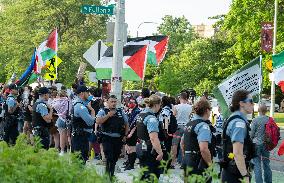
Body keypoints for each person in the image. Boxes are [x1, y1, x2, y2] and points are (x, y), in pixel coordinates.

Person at [221, 90, 256, 183]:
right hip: (235, 174)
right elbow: (237, 153)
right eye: (251, 101)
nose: (253, 104)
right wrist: (245, 175)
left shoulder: (234, 118)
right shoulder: (239, 123)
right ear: (241, 103)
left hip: (231, 170)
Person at [96, 95, 129, 177]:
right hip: (107, 137)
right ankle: (108, 175)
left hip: (118, 138)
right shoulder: (103, 111)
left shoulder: (120, 111)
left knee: (114, 158)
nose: (114, 103)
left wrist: (125, 135)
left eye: (115, 102)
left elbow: (126, 123)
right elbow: (98, 121)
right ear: (107, 102)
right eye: (112, 102)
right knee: (109, 157)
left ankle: (111, 174)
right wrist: (108, 115)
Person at [182, 99, 215, 183]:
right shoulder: (203, 126)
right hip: (198, 162)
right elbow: (203, 149)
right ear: (207, 110)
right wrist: (210, 164)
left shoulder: (189, 124)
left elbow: (182, 143)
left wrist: (186, 156)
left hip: (188, 159)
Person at [136, 94, 166, 180]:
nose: (160, 108)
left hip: (141, 146)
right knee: (152, 176)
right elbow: (153, 138)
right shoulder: (151, 119)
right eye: (160, 105)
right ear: (156, 105)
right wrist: (160, 152)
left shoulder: (141, 114)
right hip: (150, 150)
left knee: (144, 174)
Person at [71, 85, 96, 163]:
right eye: (87, 93)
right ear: (82, 94)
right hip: (80, 138)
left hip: (79, 136)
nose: (88, 95)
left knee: (78, 161)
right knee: (80, 162)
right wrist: (92, 111)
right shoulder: (80, 107)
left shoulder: (77, 104)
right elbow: (90, 122)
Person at [250, 104, 272, 183]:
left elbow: (251, 134)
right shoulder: (270, 119)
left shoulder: (255, 120)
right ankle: (269, 181)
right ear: (266, 111)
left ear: (258, 110)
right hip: (267, 144)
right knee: (266, 164)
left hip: (256, 144)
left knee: (257, 164)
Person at [170, 92, 192, 168]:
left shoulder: (176, 106)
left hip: (177, 127)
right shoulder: (190, 107)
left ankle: (173, 162)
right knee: (184, 145)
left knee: (174, 145)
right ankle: (184, 163)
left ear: (180, 98)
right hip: (187, 127)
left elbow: (173, 116)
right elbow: (190, 117)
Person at [52, 90, 70, 155]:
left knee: (62, 136)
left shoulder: (56, 102)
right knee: (68, 136)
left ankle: (62, 151)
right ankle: (69, 149)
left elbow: (52, 107)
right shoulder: (68, 101)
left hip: (60, 119)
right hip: (68, 119)